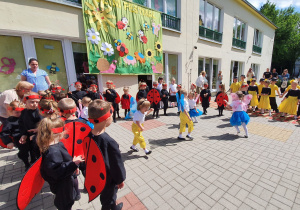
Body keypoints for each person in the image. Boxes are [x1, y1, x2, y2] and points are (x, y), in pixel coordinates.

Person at [37, 117, 83, 210]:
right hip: (62, 184)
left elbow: (63, 161)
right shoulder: (52, 151)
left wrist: (72, 165)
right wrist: (73, 164)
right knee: (65, 202)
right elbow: (56, 171)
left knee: (68, 198)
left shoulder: (56, 144)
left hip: (66, 178)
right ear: (60, 132)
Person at [87, 99, 126, 210]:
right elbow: (116, 164)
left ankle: (113, 207)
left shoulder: (88, 135)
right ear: (107, 118)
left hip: (96, 176)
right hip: (108, 179)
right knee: (108, 199)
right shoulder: (109, 142)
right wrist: (120, 179)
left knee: (107, 197)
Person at [19, 92, 42, 170]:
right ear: (25, 102)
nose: (35, 104)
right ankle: (31, 164)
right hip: (29, 135)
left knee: (38, 151)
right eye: (32, 102)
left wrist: (38, 130)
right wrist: (23, 134)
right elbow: (22, 124)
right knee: (27, 151)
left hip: (40, 135)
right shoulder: (23, 112)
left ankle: (40, 165)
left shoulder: (40, 111)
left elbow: (46, 122)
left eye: (37, 102)